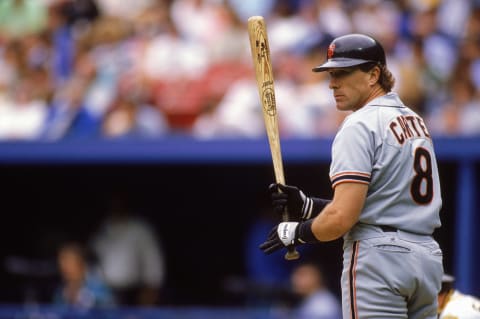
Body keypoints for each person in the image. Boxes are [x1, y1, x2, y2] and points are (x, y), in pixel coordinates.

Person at [259, 33, 444, 318]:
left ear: (373, 74)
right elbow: (380, 205)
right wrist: (309, 206)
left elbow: (342, 219)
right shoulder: (414, 120)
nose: (332, 83)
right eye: (331, 74)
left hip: (380, 260)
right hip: (426, 258)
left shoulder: (359, 124)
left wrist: (297, 233)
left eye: (343, 73)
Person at [89, 195, 166, 306]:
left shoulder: (140, 229)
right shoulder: (103, 228)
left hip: (132, 290)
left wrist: (152, 287)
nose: (115, 206)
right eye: (112, 203)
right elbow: (92, 257)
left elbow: (153, 260)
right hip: (104, 291)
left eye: (118, 203)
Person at [53, 241, 115, 309]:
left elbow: (110, 312)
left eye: (68, 263)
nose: (64, 268)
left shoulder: (98, 288)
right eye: (61, 263)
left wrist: (84, 298)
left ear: (81, 264)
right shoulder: (61, 291)